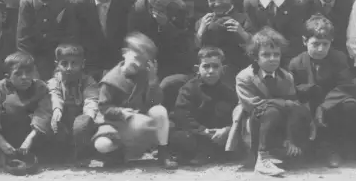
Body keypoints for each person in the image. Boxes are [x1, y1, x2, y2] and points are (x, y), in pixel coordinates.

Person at [92, 33, 181, 170]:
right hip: (116, 123)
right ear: (124, 53)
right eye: (135, 58)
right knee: (102, 144)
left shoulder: (145, 76)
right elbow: (104, 107)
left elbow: (154, 102)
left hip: (140, 120)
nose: (138, 64)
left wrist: (152, 82)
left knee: (159, 111)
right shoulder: (110, 80)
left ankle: (163, 152)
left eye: (143, 61)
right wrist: (121, 112)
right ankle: (117, 154)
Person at [234, 27, 314, 176]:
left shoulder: (286, 76)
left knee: (299, 111)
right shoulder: (245, 77)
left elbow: (293, 105)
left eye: (276, 54)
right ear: (255, 57)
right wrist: (283, 103)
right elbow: (254, 105)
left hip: (280, 124)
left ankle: (284, 149)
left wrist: (290, 138)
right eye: (266, 54)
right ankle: (262, 156)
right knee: (271, 111)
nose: (272, 58)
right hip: (255, 123)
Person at [288, 15, 353, 166]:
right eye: (315, 44)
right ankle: (307, 149)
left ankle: (334, 150)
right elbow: (292, 90)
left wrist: (323, 107)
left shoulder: (339, 58)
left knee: (350, 105)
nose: (320, 49)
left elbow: (345, 85)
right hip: (307, 105)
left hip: (331, 106)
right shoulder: (296, 63)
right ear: (305, 41)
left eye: (325, 44)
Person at [0, 51, 55, 170]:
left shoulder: (40, 87)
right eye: (18, 74)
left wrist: (30, 139)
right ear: (8, 76)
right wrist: (1, 142)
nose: (24, 77)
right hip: (6, 133)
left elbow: (44, 113)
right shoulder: (0, 88)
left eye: (28, 72)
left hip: (32, 133)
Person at [126, 0, 197, 84]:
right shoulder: (138, 9)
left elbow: (184, 45)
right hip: (146, 60)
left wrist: (166, 26)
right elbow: (132, 41)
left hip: (172, 61)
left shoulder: (179, 8)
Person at [173, 46, 239, 165]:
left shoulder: (228, 91)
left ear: (222, 69)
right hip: (198, 134)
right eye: (206, 66)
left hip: (219, 135)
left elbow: (236, 115)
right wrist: (204, 131)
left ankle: (213, 154)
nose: (211, 71)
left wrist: (226, 130)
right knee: (182, 137)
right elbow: (182, 114)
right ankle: (198, 154)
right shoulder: (189, 89)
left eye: (215, 66)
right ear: (197, 69)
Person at [16, 0, 77, 80]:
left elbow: (70, 37)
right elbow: (23, 41)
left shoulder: (67, 2)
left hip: (59, 57)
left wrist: (61, 66)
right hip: (34, 56)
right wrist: (31, 68)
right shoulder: (27, 3)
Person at [73, 0, 134, 78]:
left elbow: (130, 38)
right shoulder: (80, 4)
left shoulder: (127, 3)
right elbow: (77, 40)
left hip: (120, 66)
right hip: (90, 68)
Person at [46, 43, 100, 167]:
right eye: (64, 64)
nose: (69, 68)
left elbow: (91, 101)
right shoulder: (54, 82)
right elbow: (55, 95)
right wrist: (57, 110)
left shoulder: (88, 81)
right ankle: (59, 154)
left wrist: (87, 118)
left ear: (83, 64)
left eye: (74, 63)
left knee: (84, 123)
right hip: (62, 123)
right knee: (50, 119)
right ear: (57, 65)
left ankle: (83, 154)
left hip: (81, 126)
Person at [196, 0, 252, 77]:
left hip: (237, 70)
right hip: (209, 72)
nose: (217, 3)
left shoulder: (243, 19)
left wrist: (242, 33)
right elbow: (196, 49)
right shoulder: (203, 22)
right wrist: (200, 31)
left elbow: (254, 49)